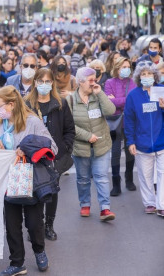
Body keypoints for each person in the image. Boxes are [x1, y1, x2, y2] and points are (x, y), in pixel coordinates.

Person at [0, 86, 58, 276]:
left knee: (34, 223)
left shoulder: (32, 121)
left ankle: (39, 251)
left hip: (30, 179)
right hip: (6, 180)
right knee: (12, 225)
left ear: (11, 104)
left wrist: (28, 148)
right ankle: (17, 263)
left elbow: (52, 147)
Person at [25, 68, 75, 241]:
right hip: (33, 156)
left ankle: (49, 225)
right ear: (35, 83)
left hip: (54, 156)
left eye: (47, 81)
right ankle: (35, 227)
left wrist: (64, 149)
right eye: (40, 81)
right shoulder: (27, 104)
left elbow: (69, 129)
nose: (44, 85)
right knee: (34, 192)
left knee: (52, 192)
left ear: (52, 83)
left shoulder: (60, 103)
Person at [66, 67, 117, 221]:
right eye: (91, 80)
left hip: (101, 145)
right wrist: (87, 136)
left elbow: (111, 111)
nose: (94, 83)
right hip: (81, 147)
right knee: (82, 179)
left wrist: (100, 93)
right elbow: (68, 125)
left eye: (95, 79)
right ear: (80, 82)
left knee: (101, 177)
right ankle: (85, 204)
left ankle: (105, 208)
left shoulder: (97, 95)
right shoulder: (70, 100)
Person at [124, 61, 164, 216]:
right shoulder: (133, 95)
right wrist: (131, 141)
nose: (146, 77)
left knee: (163, 174)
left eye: (149, 73)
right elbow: (129, 120)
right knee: (145, 175)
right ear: (138, 77)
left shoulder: (162, 90)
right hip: (142, 143)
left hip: (162, 141)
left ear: (155, 75)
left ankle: (161, 204)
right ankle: (149, 203)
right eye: (143, 74)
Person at [104, 57, 137, 196]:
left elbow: (132, 101)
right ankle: (116, 183)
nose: (126, 69)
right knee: (115, 152)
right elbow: (108, 104)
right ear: (117, 68)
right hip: (114, 121)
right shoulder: (109, 82)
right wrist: (123, 100)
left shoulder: (133, 82)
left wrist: (116, 100)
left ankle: (129, 179)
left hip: (129, 122)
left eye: (128, 66)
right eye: (123, 66)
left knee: (130, 150)